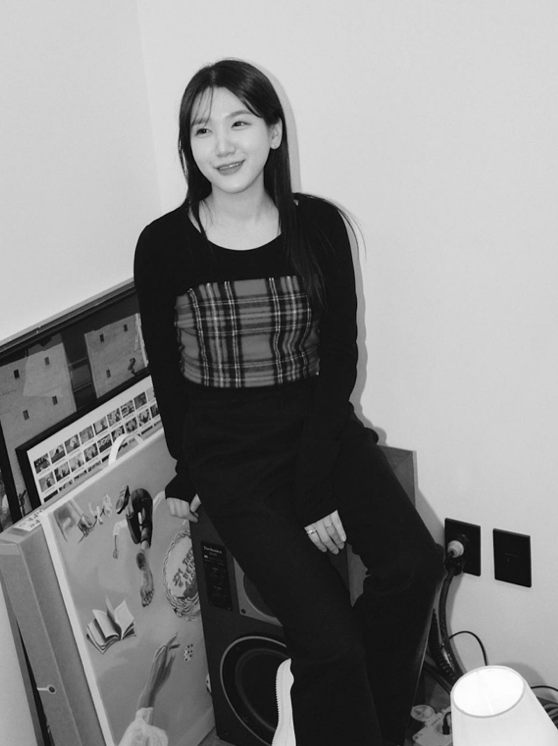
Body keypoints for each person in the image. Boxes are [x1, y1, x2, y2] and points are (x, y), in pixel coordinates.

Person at [134, 58, 443, 746]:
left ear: (274, 132)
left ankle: (366, 724)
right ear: (188, 146)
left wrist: (313, 488)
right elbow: (168, 374)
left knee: (414, 566)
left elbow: (339, 359)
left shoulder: (319, 227)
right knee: (330, 642)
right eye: (202, 129)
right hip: (230, 455)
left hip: (320, 429)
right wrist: (187, 468)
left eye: (240, 122)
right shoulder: (163, 245)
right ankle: (343, 710)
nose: (223, 144)